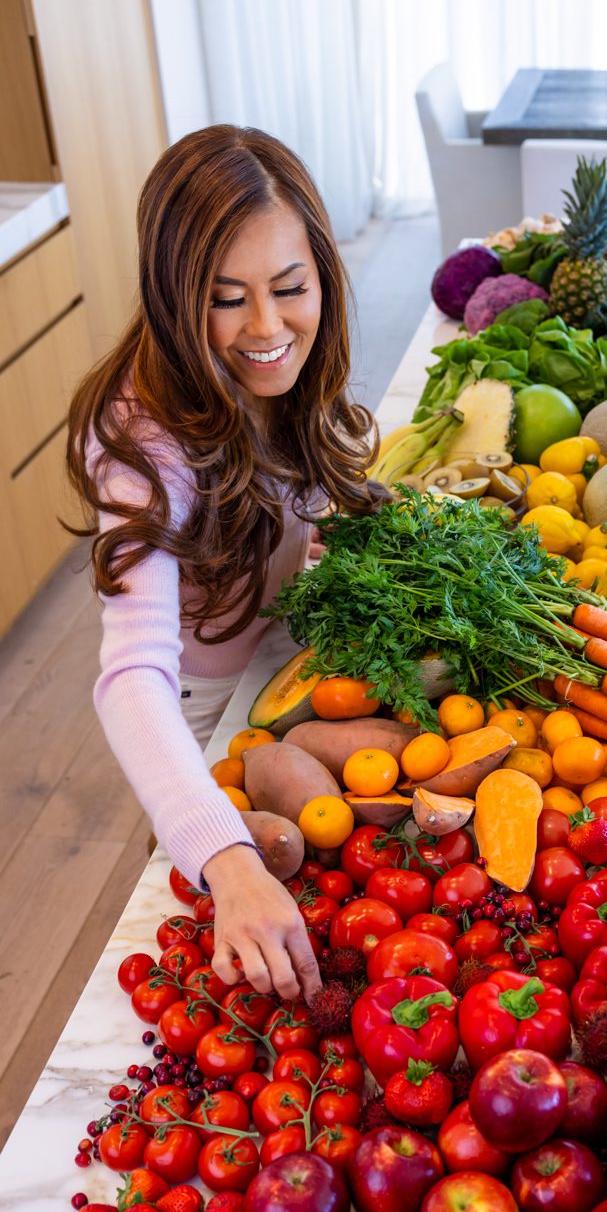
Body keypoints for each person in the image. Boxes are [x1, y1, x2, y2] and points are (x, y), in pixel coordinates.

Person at [66, 124, 381, 1005]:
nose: (267, 328)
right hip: (199, 715)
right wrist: (228, 862)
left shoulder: (287, 370)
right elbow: (133, 671)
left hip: (283, 667)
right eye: (224, 299)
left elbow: (294, 501)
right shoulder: (140, 437)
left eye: (290, 288)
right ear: (173, 297)